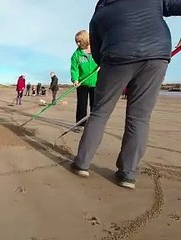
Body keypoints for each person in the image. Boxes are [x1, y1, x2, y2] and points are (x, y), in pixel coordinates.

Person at [71, 0, 181, 190]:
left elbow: (97, 52)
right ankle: (127, 173)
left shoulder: (101, 11)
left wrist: (105, 62)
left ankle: (82, 163)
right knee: (139, 118)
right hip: (155, 56)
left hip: (118, 58)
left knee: (100, 113)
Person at [70, 30, 98, 132]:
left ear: (86, 40)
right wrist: (75, 79)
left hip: (96, 83)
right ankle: (80, 124)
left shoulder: (96, 50)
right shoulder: (76, 55)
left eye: (79, 41)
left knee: (95, 105)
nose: (78, 43)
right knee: (82, 105)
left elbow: (104, 59)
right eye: (76, 41)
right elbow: (74, 69)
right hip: (82, 83)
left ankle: (94, 125)